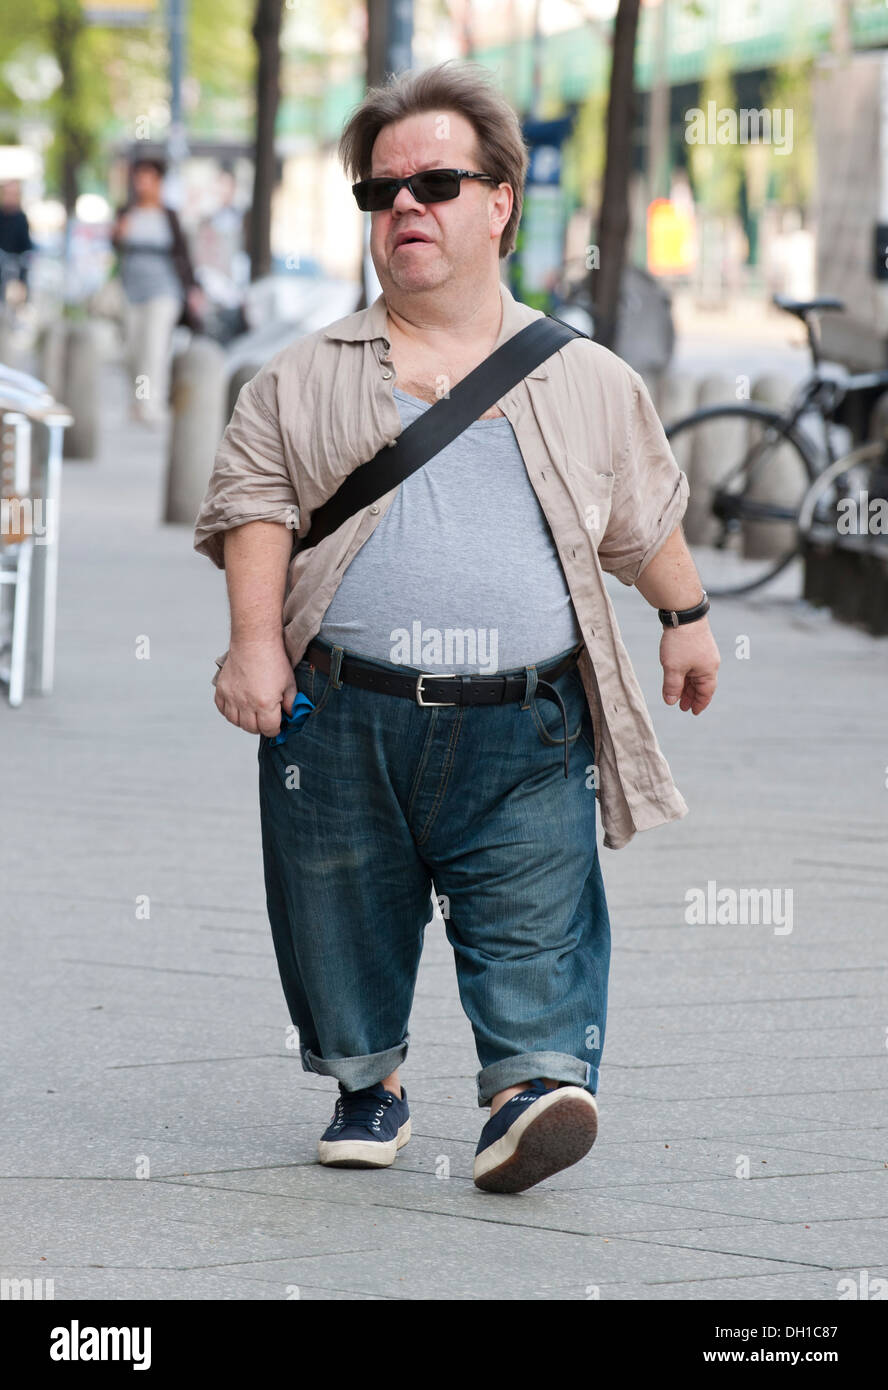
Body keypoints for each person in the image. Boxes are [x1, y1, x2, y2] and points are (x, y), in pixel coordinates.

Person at [193, 60, 721, 1195]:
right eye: (382, 193)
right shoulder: (302, 373)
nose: (407, 209)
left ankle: (529, 1090)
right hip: (338, 708)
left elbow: (643, 516)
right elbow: (256, 507)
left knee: (537, 913)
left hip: (525, 721)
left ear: (500, 203)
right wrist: (252, 645)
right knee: (336, 910)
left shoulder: (586, 377)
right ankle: (365, 1076)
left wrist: (686, 618)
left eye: (437, 183)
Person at [111, 157, 204, 425]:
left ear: (159, 182)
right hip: (131, 291)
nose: (142, 184)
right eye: (138, 178)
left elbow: (183, 256)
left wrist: (194, 288)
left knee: (154, 348)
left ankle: (153, 406)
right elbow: (114, 249)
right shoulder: (127, 213)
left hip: (164, 291)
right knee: (132, 351)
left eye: (148, 178)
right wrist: (117, 234)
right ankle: (138, 402)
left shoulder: (170, 216)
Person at [0, 181, 35, 296]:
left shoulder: (21, 218)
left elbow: (26, 243)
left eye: (14, 194)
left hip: (15, 263)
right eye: (8, 194)